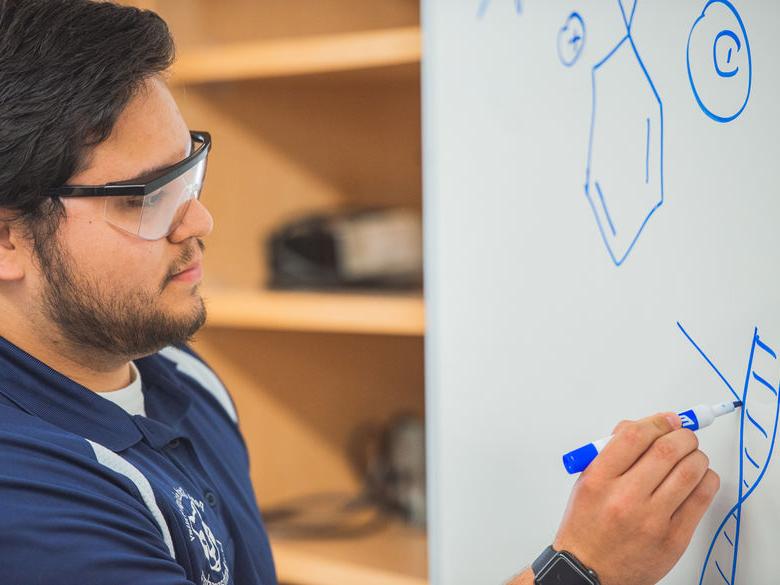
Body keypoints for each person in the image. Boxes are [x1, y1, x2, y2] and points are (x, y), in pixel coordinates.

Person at [0, 2, 719, 585]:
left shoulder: (179, 372)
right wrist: (582, 571)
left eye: (189, 171)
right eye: (144, 199)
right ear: (8, 239)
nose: (201, 221)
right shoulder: (26, 504)